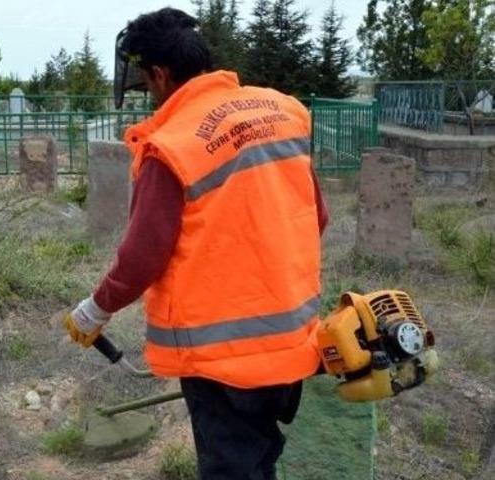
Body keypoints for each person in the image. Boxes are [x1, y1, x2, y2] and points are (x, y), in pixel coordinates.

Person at [63, 7, 329, 480]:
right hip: (294, 337)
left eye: (146, 86)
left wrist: (95, 310)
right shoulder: (282, 112)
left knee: (233, 468)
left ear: (161, 74)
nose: (149, 99)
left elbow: (144, 254)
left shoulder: (172, 144)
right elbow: (317, 216)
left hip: (223, 360)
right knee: (259, 456)